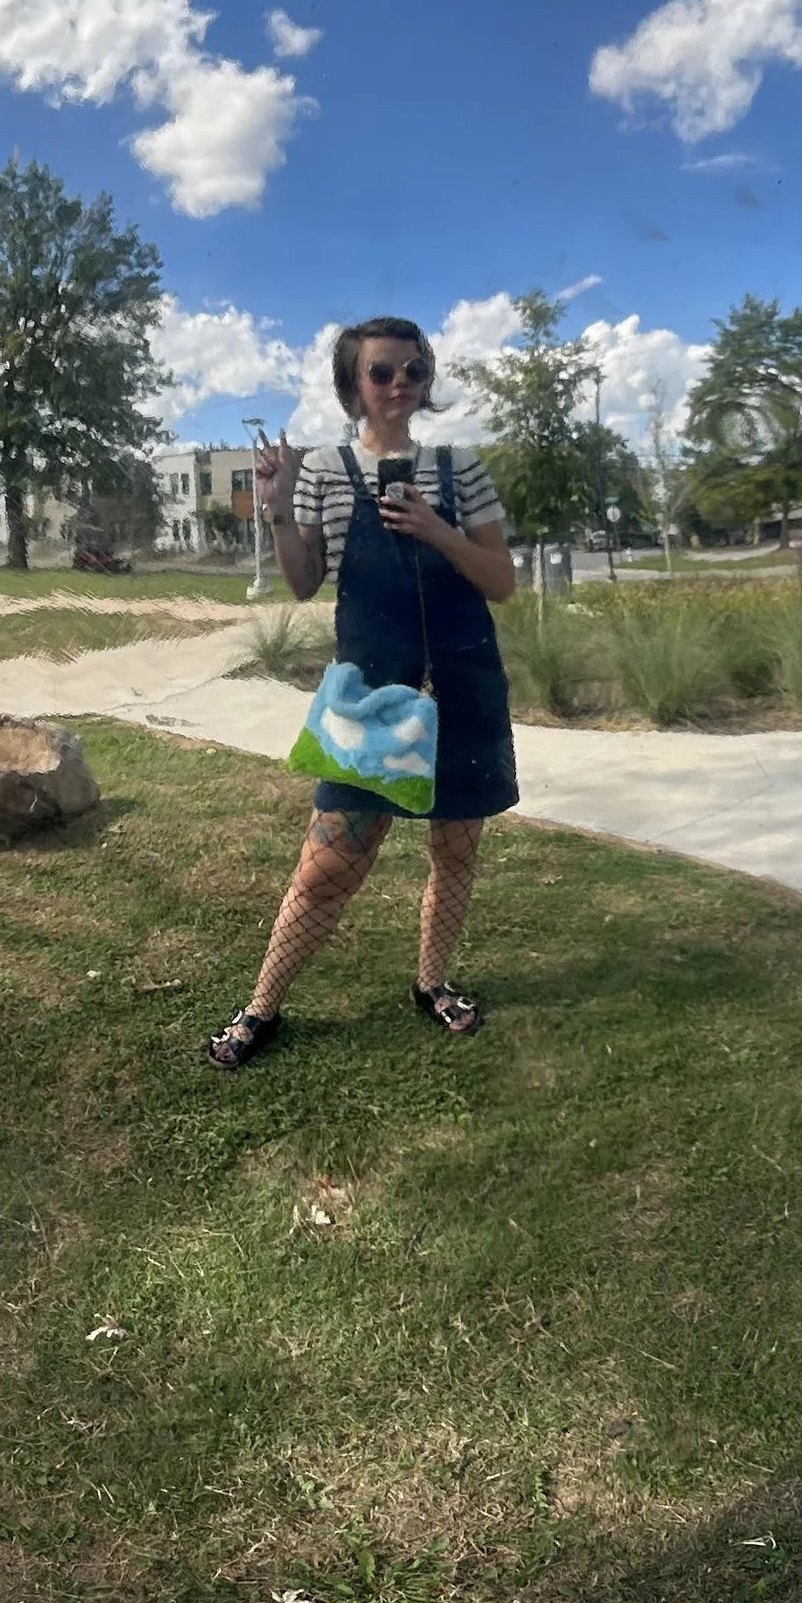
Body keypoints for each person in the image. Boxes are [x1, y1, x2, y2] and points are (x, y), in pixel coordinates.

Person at [206, 315, 517, 1067]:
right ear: (353, 384)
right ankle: (262, 1007)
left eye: (414, 370)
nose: (401, 384)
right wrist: (278, 506)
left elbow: (501, 581)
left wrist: (437, 530)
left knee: (455, 851)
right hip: (372, 691)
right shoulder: (321, 468)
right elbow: (306, 581)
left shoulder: (458, 466)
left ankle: (432, 980)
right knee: (330, 861)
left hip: (460, 683)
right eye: (382, 372)